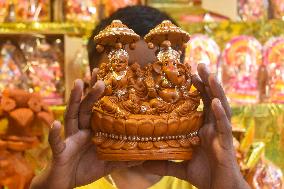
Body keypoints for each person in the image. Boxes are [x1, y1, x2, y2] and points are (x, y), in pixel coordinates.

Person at [30, 6, 250, 189]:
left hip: (165, 113)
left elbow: (163, 94)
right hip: (117, 111)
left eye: (152, 70)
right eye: (123, 65)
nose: (137, 75)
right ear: (90, 87)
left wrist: (230, 185)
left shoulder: (203, 175)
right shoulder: (71, 176)